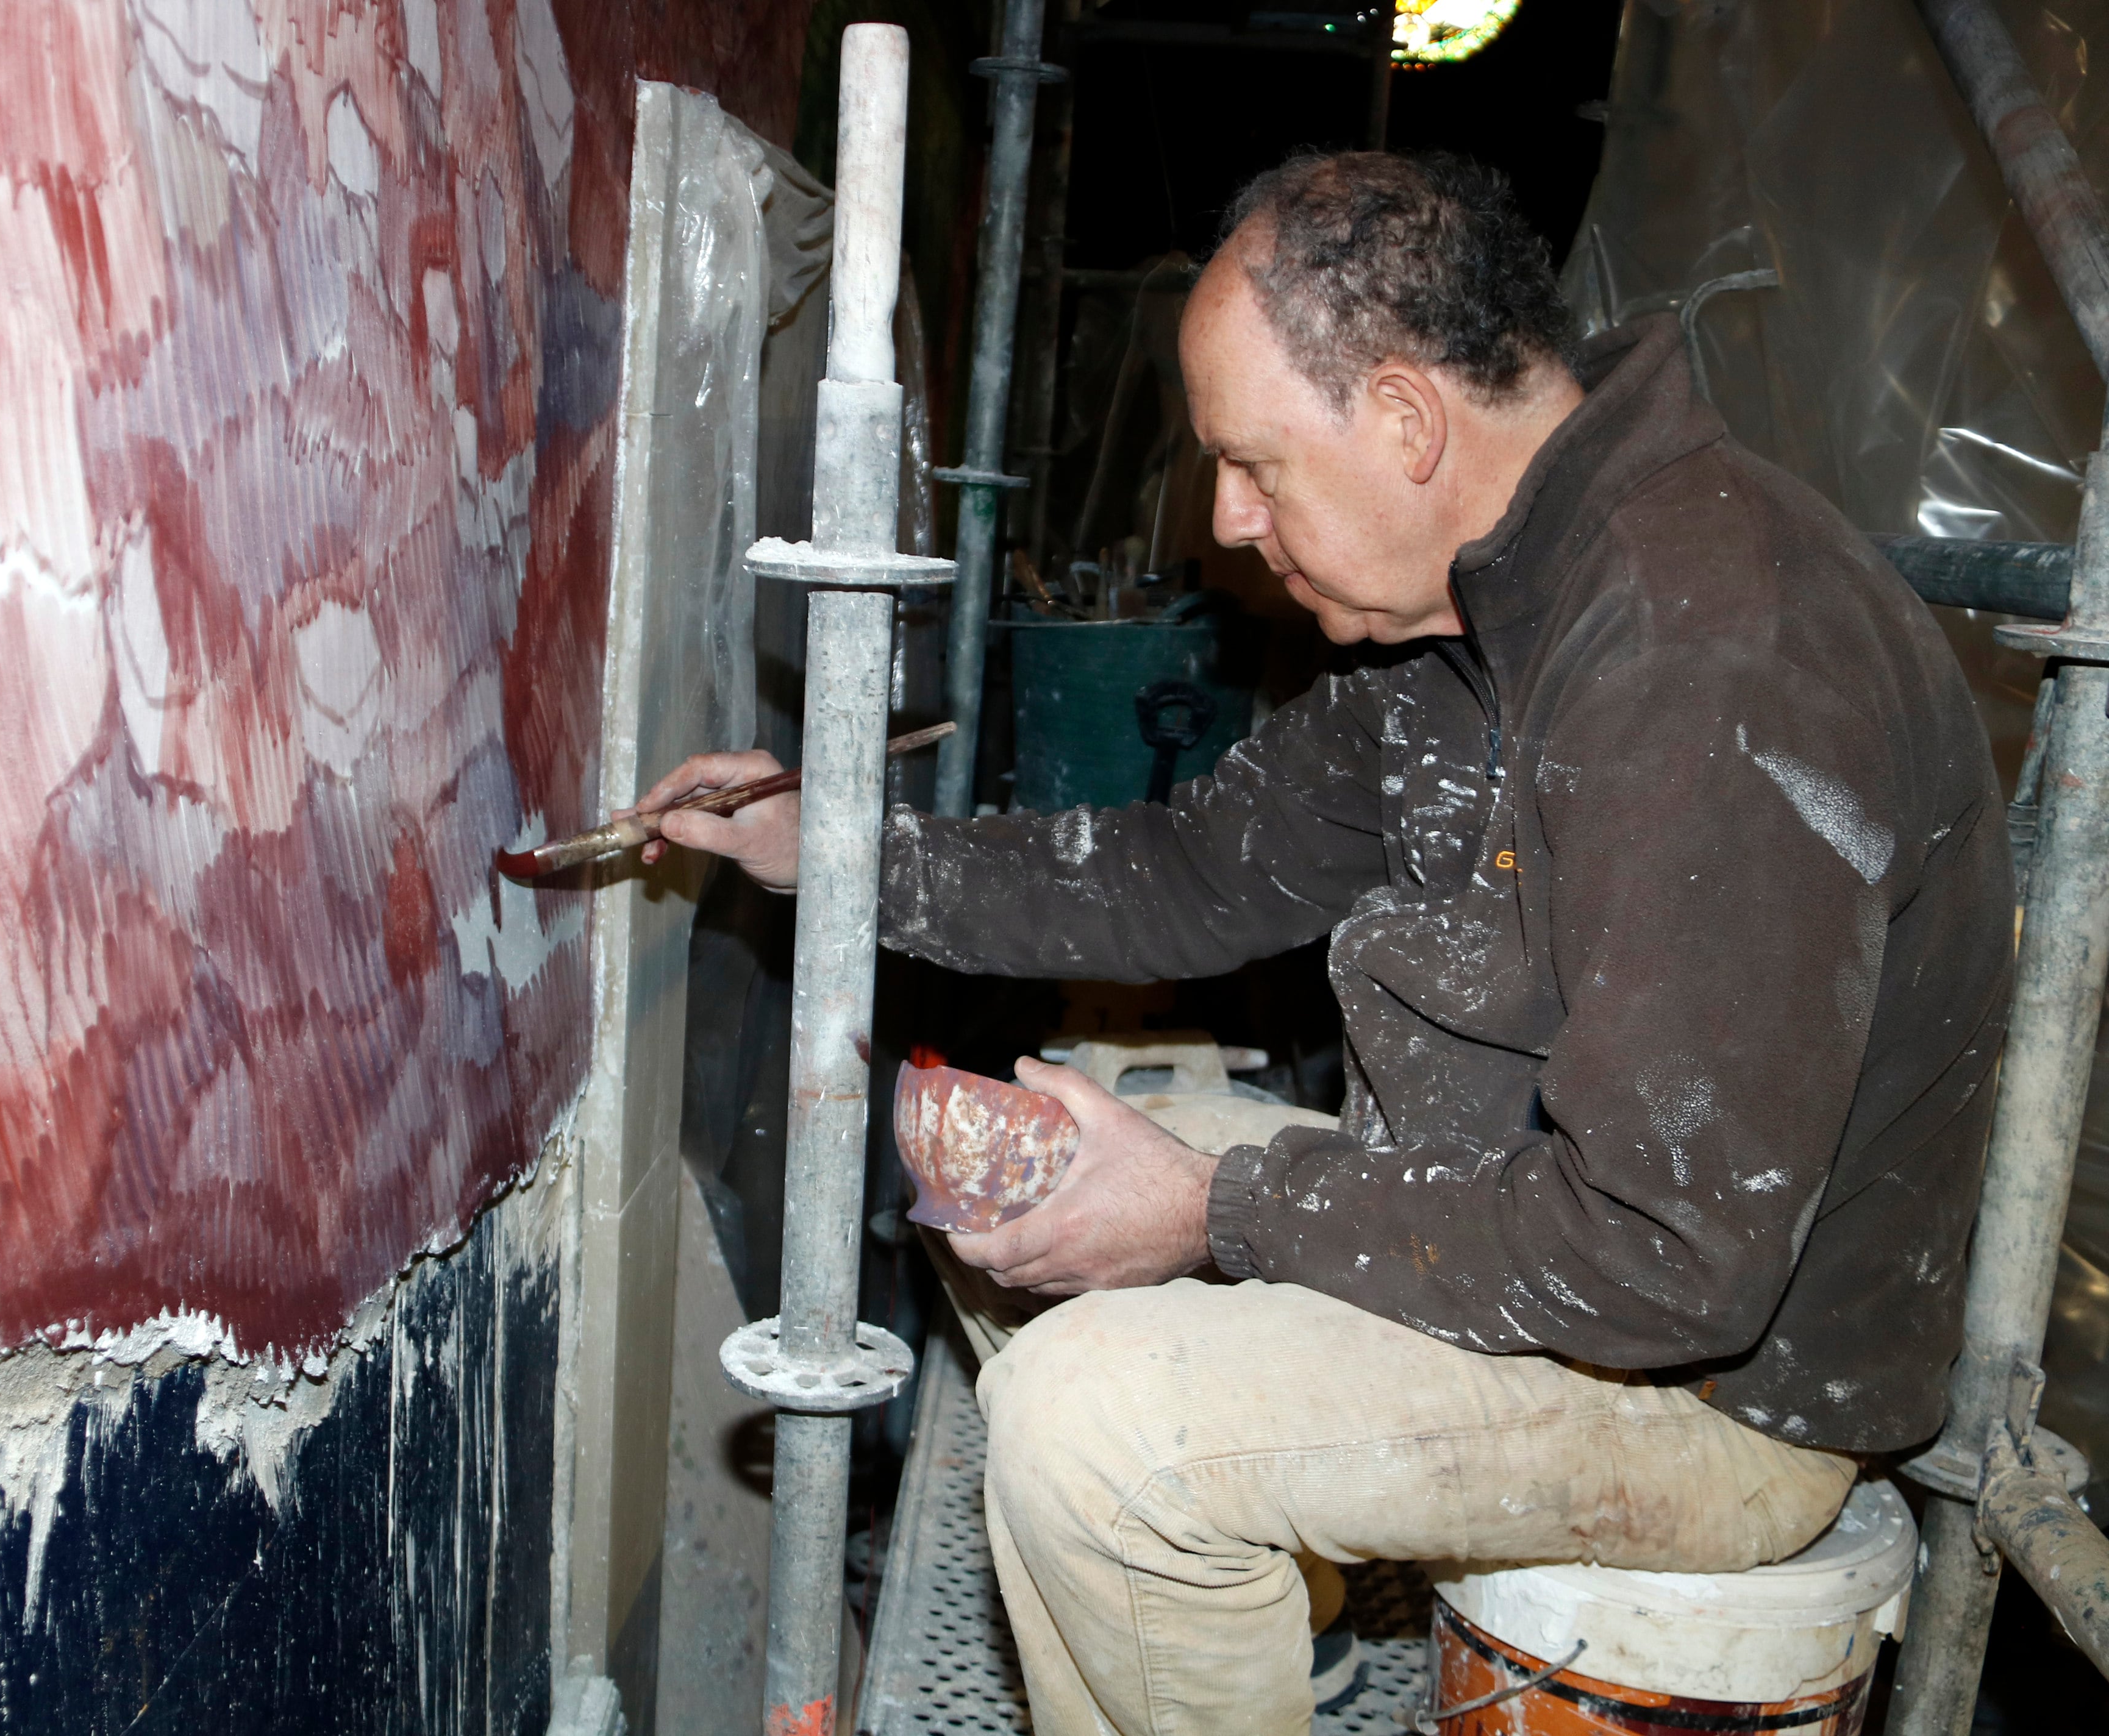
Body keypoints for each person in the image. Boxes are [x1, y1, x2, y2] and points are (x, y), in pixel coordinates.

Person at [635, 151, 2011, 1736]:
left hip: (1714, 1397)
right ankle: (1272, 1652)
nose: (1225, 520)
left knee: (1094, 1432)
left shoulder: (1713, 659)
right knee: (1009, 1171)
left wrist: (1219, 1203)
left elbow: (1669, 1258)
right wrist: (836, 849)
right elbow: (1192, 870)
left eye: (1254, 464)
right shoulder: (1476, 611)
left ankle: (1189, 1570)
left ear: (1409, 423)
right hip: (1529, 1244)